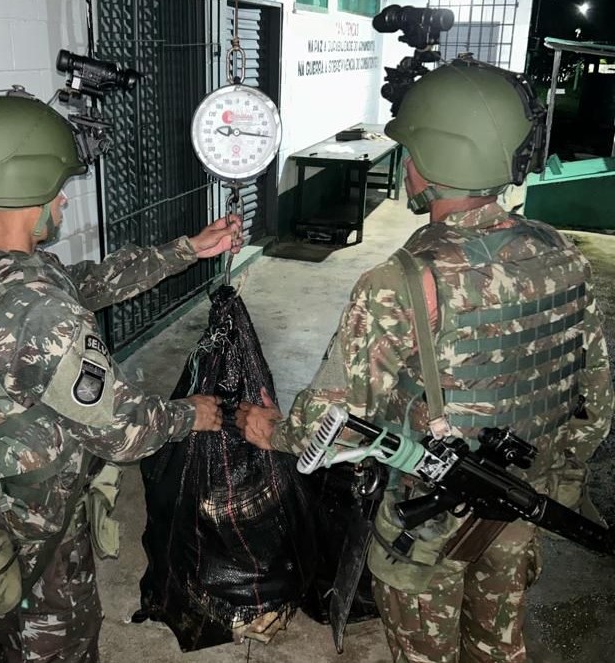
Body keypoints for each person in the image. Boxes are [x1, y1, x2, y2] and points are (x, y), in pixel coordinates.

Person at [236, 55, 613, 662]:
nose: (406, 163)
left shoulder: (402, 282)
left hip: (429, 524)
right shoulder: (561, 253)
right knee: (500, 649)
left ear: (435, 159)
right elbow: (593, 402)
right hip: (521, 500)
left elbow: (331, 428)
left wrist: (270, 430)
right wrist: (558, 481)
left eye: (411, 150)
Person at [0, 89, 242, 663]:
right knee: (57, 639)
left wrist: (188, 249)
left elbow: (83, 283)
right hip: (40, 519)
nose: (64, 200)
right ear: (26, 184)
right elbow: (124, 431)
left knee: (4, 621)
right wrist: (191, 414)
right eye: (58, 187)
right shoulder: (39, 310)